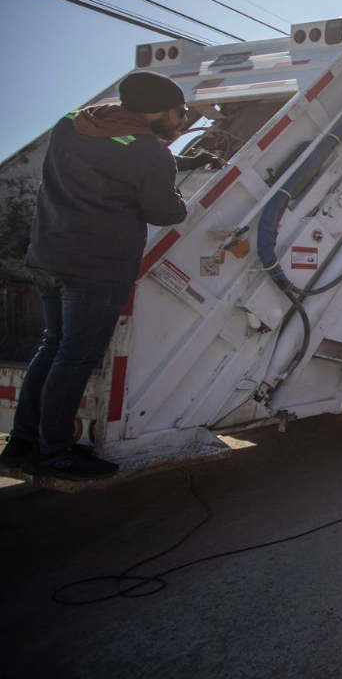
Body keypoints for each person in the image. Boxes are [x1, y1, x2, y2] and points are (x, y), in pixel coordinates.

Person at [0, 71, 214, 480]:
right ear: (157, 111)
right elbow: (164, 211)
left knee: (54, 347)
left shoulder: (73, 122)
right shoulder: (149, 153)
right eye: (178, 113)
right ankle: (56, 452)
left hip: (48, 257)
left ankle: (21, 444)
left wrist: (185, 160)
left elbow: (118, 153)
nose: (181, 121)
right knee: (76, 357)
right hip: (94, 269)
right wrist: (180, 192)